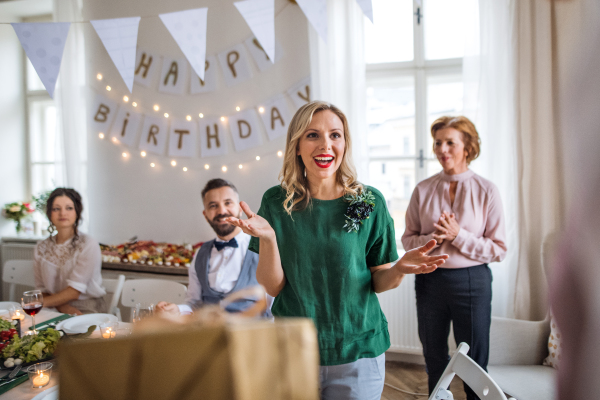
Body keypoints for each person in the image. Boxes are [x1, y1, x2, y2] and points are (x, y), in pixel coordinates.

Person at [226, 101, 449, 400]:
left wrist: (398, 269)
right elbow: (274, 286)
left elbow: (380, 279)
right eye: (313, 135)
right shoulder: (277, 202)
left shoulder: (366, 201)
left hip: (358, 350)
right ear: (297, 145)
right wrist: (267, 239)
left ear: (345, 143)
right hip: (294, 347)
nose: (326, 145)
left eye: (335, 135)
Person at [402, 116, 507, 400]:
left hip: (472, 282)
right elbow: (407, 239)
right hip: (429, 281)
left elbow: (499, 249)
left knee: (475, 360)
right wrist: (433, 240)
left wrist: (459, 235)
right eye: (438, 143)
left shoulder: (487, 190)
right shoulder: (422, 189)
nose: (442, 149)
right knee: (434, 355)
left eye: (450, 142)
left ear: (468, 147)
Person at [156, 179, 271, 316]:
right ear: (206, 215)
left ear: (240, 210)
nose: (222, 211)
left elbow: (273, 307)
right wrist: (177, 310)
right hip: (208, 333)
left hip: (251, 335)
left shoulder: (263, 248)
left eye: (228, 203)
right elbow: (194, 304)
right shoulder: (200, 254)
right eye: (213, 206)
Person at [33, 188, 106, 315]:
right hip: (52, 305)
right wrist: (62, 307)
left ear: (77, 212)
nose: (62, 213)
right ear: (49, 213)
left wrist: (37, 304)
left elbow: (74, 291)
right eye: (56, 209)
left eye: (69, 208)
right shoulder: (41, 247)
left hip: (86, 306)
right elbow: (42, 289)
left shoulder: (88, 244)